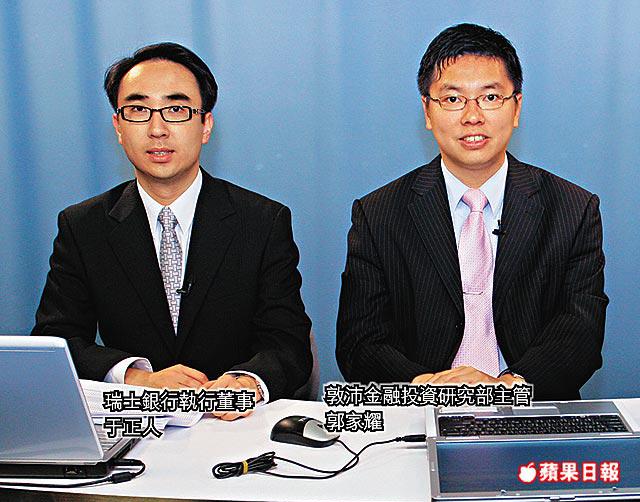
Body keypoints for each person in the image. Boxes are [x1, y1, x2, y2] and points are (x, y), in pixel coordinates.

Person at [33, 42, 312, 418]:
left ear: (205, 125)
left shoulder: (261, 221)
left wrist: (246, 382)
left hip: (233, 427)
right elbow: (57, 340)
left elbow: (288, 342)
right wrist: (136, 377)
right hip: (135, 424)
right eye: (138, 110)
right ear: (118, 127)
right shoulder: (83, 226)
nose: (157, 129)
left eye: (176, 110)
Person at [336, 24, 608, 400]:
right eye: (453, 99)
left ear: (516, 107)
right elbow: (359, 342)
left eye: (490, 97)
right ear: (427, 111)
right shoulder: (379, 214)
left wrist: (510, 386)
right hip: (420, 410)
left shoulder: (572, 209)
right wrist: (428, 386)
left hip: (528, 408)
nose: (472, 116)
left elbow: (580, 332)